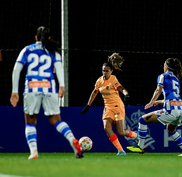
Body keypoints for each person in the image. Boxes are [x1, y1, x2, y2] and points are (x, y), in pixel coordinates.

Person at [10, 26, 83, 159]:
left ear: (36, 38)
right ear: (49, 38)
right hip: (49, 87)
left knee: (30, 121)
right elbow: (60, 69)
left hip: (32, 87)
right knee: (56, 120)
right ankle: (73, 140)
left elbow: (16, 69)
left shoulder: (27, 49)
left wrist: (15, 91)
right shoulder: (54, 52)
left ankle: (34, 152)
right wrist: (62, 86)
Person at [127, 58, 182, 156]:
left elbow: (158, 90)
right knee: (171, 129)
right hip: (180, 109)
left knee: (142, 120)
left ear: (166, 66)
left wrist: (151, 102)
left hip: (171, 111)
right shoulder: (176, 79)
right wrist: (159, 102)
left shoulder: (162, 76)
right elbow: (173, 98)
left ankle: (140, 146)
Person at [80, 53, 137, 156]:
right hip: (108, 107)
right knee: (107, 128)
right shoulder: (99, 81)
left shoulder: (113, 79)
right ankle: (120, 150)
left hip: (117, 106)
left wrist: (126, 94)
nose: (104, 73)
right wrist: (88, 105)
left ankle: (136, 136)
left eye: (107, 71)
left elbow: (121, 88)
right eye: (103, 71)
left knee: (121, 132)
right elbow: (94, 92)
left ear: (111, 71)